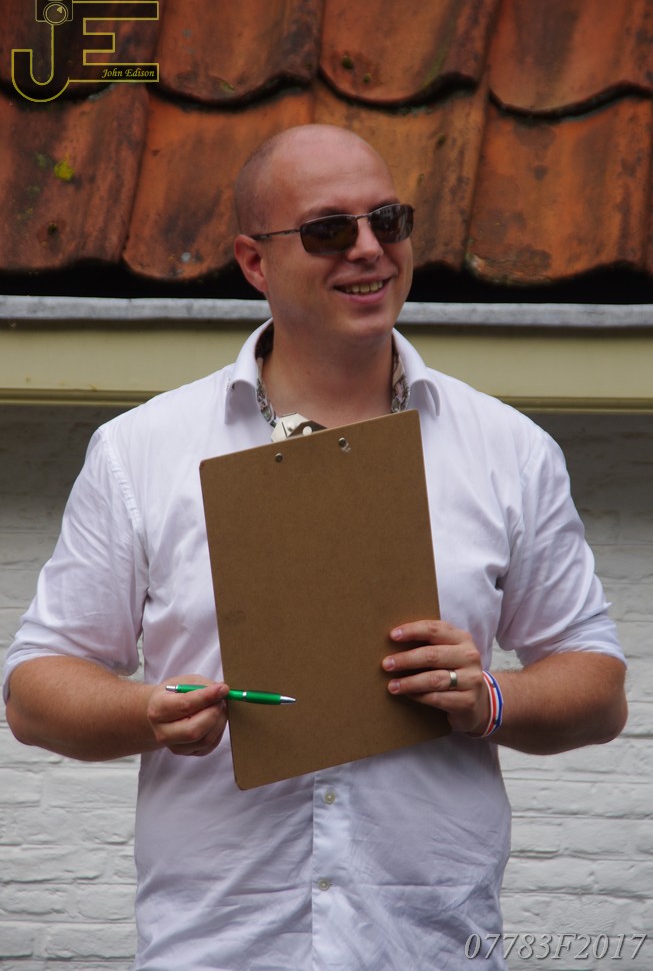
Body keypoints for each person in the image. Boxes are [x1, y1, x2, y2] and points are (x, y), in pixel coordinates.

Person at [3, 124, 627, 970]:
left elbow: (597, 689)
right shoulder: (142, 450)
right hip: (217, 950)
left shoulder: (508, 450)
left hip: (424, 948)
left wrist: (490, 696)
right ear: (254, 262)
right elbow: (35, 691)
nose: (368, 248)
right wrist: (146, 713)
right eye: (329, 229)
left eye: (388, 220)